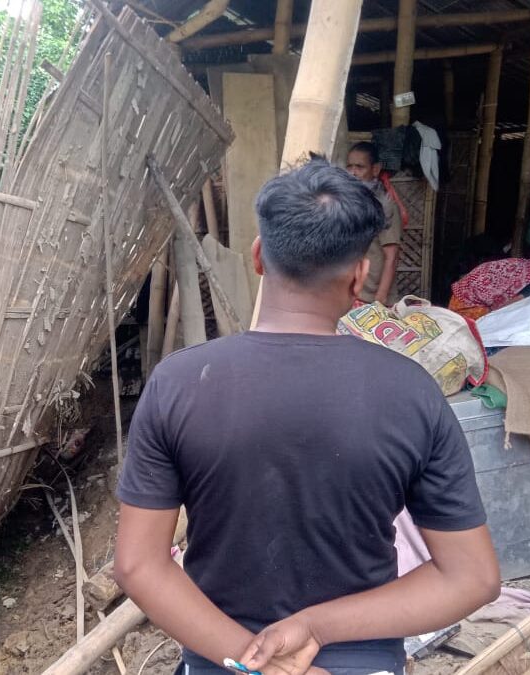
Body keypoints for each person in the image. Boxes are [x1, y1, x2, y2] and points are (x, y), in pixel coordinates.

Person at [113, 158, 500, 675]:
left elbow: (138, 565)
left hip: (219, 661)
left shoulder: (178, 385)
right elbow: (472, 578)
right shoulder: (411, 393)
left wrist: (256, 662)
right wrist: (317, 626)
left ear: (257, 257)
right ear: (361, 275)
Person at [346, 141, 401, 305]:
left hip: (373, 298)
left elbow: (392, 257)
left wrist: (380, 300)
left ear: (375, 169)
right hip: (348, 296)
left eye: (359, 167)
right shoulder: (346, 204)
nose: (353, 173)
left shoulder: (385, 205)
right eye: (349, 167)